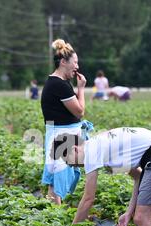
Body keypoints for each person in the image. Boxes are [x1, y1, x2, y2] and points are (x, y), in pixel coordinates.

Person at [40, 38, 92, 205]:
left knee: (56, 180)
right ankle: (54, 219)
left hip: (60, 134)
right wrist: (81, 89)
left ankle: (51, 216)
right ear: (63, 62)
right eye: (74, 62)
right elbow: (80, 111)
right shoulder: (59, 85)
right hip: (61, 136)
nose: (77, 66)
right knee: (58, 179)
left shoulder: (58, 83)